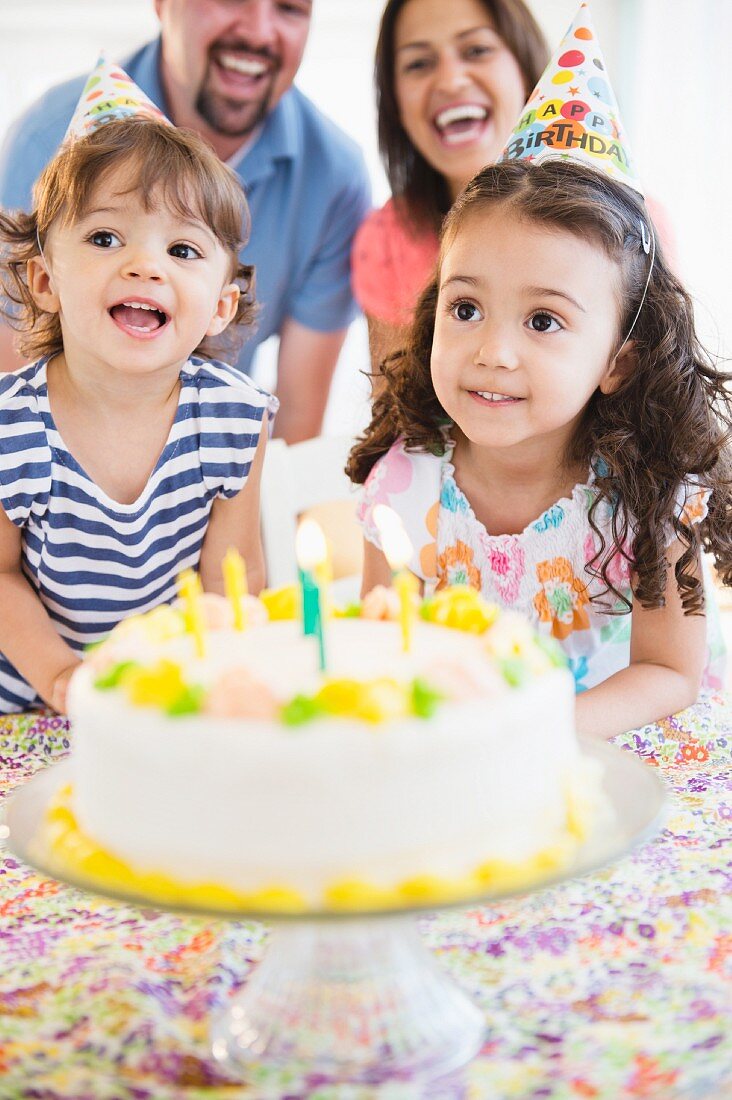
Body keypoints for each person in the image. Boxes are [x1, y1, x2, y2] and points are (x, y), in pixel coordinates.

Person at [347, 156, 732, 740]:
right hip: (471, 757)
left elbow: (670, 672)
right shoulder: (406, 485)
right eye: (466, 309)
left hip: (623, 749)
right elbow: (383, 649)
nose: (493, 352)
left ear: (616, 362)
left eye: (544, 321)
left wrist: (536, 735)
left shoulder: (653, 496)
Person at [0, 112, 278, 715]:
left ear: (221, 307)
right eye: (105, 238)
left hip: (167, 695)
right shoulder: (11, 430)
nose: (147, 266)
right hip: (28, 701)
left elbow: (231, 579)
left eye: (182, 249)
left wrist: (217, 677)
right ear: (45, 280)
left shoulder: (234, 419)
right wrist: (61, 678)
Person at [0, 0, 371, 443]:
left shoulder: (334, 176)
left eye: (289, 8)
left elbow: (295, 429)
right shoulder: (42, 141)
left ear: (224, 307)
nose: (258, 31)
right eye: (103, 237)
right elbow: (17, 383)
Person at [352, 0, 675, 375]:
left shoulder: (636, 234)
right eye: (418, 63)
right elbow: (395, 411)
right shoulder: (389, 241)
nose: (451, 80)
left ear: (523, 69)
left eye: (477, 50)